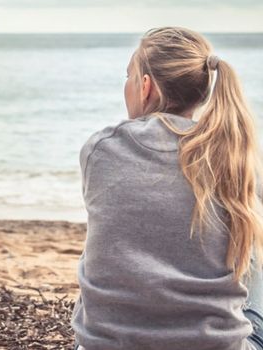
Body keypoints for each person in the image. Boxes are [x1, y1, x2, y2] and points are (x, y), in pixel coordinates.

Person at [71, 26, 263, 350]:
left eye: (129, 76)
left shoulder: (100, 149)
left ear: (145, 86)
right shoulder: (235, 158)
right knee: (252, 240)